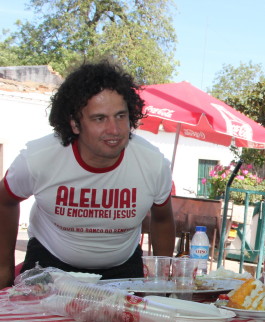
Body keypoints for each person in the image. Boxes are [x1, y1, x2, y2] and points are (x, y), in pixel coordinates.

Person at [0, 60, 175, 288]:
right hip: (49, 266)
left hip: (122, 271)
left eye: (121, 116)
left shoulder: (152, 163)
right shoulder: (38, 159)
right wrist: (4, 271)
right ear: (74, 124)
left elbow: (162, 219)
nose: (114, 130)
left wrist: (162, 282)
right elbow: (5, 201)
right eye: (99, 118)